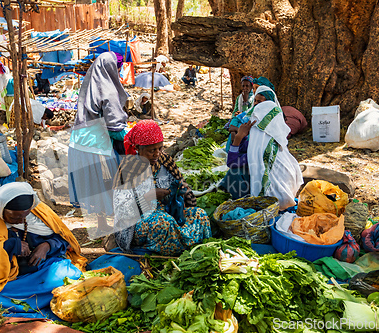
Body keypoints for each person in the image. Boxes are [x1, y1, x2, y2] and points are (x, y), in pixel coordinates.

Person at [0, 182, 87, 313]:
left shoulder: (39, 213)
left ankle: (35, 298)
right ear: (1, 209)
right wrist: (9, 246)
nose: (21, 220)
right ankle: (37, 298)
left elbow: (65, 240)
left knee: (71, 275)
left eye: (25, 215)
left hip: (43, 268)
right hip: (12, 277)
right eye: (14, 217)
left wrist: (46, 246)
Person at [112, 120, 211, 256]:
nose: (157, 154)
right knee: (164, 222)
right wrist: (149, 196)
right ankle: (179, 253)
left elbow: (180, 186)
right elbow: (121, 209)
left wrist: (180, 190)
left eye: (160, 148)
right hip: (138, 223)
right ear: (138, 149)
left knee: (200, 214)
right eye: (151, 150)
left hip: (169, 213)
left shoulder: (165, 162)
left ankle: (196, 250)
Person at [68, 52, 128, 236]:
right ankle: (122, 225)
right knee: (114, 183)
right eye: (117, 67)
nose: (118, 71)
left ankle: (102, 223)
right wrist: (132, 136)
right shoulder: (108, 90)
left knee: (97, 186)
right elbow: (115, 127)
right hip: (96, 145)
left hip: (78, 142)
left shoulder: (89, 84)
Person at [245, 86, 303, 210]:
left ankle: (278, 203)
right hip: (265, 153)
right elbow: (256, 145)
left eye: (260, 101)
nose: (256, 104)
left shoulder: (272, 111)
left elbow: (278, 136)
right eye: (255, 100)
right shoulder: (256, 115)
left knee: (281, 171)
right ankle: (278, 203)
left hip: (277, 152)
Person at [220, 120, 256, 199]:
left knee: (234, 172)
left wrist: (238, 138)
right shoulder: (261, 141)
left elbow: (232, 163)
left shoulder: (259, 149)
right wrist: (243, 136)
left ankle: (241, 200)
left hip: (261, 186)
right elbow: (242, 149)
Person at [225, 76, 255, 151]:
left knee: (238, 126)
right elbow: (235, 110)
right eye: (243, 86)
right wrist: (235, 114)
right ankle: (231, 147)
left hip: (247, 120)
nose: (245, 88)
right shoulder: (239, 98)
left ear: (251, 86)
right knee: (232, 124)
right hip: (238, 118)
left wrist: (245, 102)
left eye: (247, 86)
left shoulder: (254, 98)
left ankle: (237, 146)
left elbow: (250, 112)